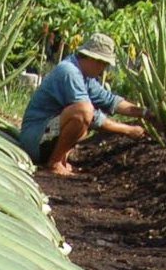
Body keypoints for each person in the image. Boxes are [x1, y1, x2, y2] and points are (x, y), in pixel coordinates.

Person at [17, 33, 146, 176]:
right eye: (103, 64)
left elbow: (109, 100)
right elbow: (91, 116)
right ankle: (54, 163)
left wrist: (145, 113)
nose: (103, 69)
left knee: (83, 123)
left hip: (44, 135)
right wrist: (128, 130)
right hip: (34, 139)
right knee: (84, 112)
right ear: (93, 59)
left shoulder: (85, 76)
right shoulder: (69, 72)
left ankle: (60, 159)